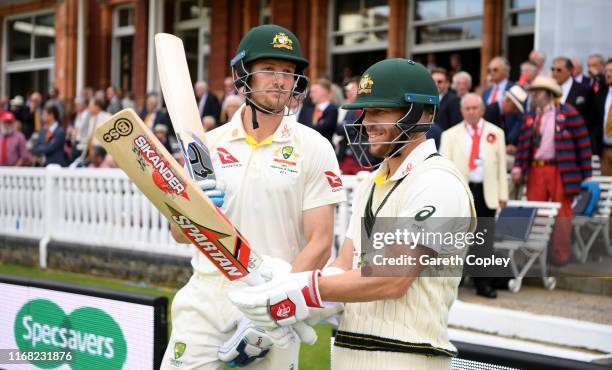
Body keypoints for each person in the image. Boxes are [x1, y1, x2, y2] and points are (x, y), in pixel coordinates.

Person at [228, 58, 477, 370]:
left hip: (408, 357)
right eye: (365, 111)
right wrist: (286, 312)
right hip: (349, 353)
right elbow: (345, 265)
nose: (367, 122)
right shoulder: (370, 184)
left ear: (423, 113)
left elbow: (393, 278)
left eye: (381, 110)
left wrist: (301, 289)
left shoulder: (438, 182)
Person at [161, 24, 346, 370]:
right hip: (206, 296)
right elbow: (179, 234)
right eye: (270, 70)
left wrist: (271, 308)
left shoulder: (314, 147)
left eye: (289, 72)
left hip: (274, 304)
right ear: (242, 74)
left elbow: (320, 242)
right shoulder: (206, 145)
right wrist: (190, 207)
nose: (280, 80)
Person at [512, 75, 592, 265]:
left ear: (548, 94)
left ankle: (560, 256)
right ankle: (535, 257)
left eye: (538, 92)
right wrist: (518, 167)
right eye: (533, 92)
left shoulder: (568, 113)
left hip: (560, 169)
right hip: (535, 170)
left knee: (563, 212)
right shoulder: (531, 116)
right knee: (536, 211)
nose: (534, 96)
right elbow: (523, 144)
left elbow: (583, 143)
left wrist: (587, 175)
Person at [440, 93, 508, 298]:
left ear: (482, 109)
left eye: (475, 108)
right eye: (467, 108)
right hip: (461, 192)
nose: (471, 112)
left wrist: (502, 194)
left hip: (486, 192)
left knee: (484, 240)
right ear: (462, 111)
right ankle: (453, 281)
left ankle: (483, 283)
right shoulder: (450, 135)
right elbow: (445, 167)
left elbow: (501, 167)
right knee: (457, 238)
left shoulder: (496, 133)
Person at [551, 57, 591, 124]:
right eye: (552, 69)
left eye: (559, 70)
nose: (554, 73)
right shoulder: (548, 90)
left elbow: (592, 118)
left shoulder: (584, 90)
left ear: (570, 71)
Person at [298, 78, 338, 144]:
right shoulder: (307, 109)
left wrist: (306, 128)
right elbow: (300, 125)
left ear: (324, 92)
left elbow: (323, 128)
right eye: (310, 92)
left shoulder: (332, 109)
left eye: (314, 92)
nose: (310, 95)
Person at [590, 58, 612, 175]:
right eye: (606, 71)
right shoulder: (601, 94)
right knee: (606, 187)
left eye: (611, 71)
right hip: (605, 150)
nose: (608, 74)